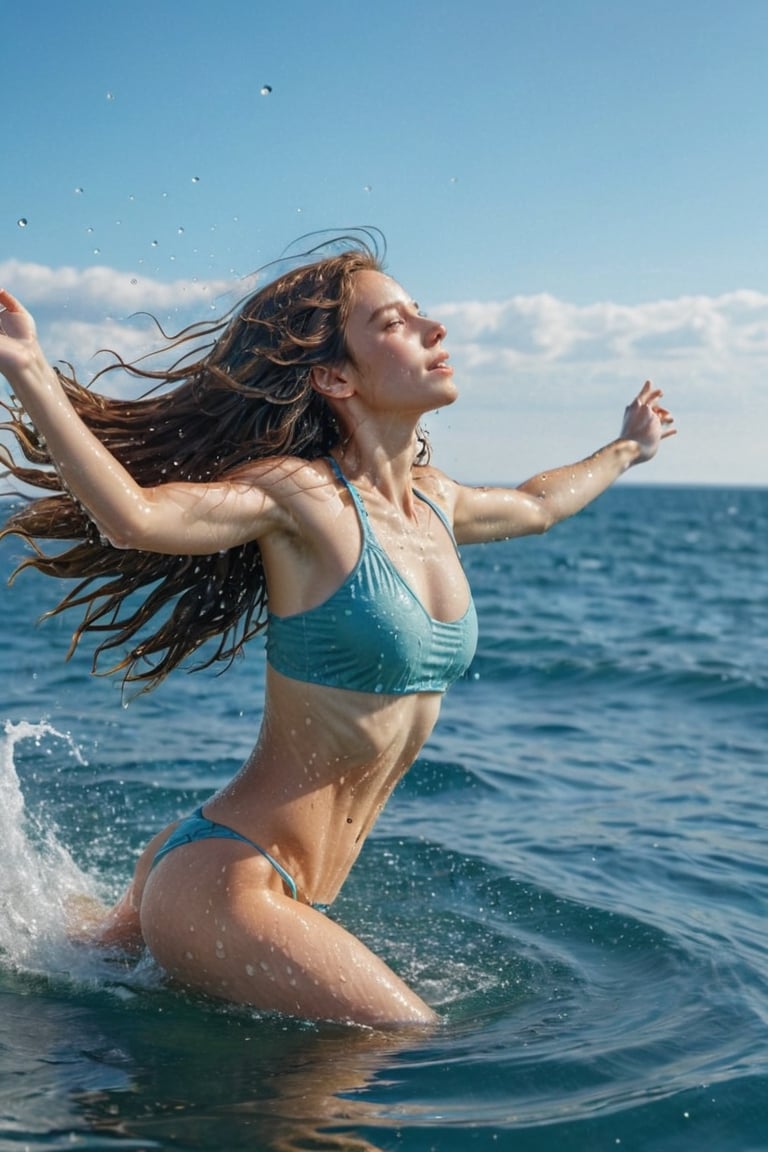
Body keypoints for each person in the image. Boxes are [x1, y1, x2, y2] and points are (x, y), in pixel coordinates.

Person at [0, 236, 675, 1027]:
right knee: (404, 1037)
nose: (434, 330)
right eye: (396, 322)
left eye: (421, 314)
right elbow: (136, 519)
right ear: (334, 376)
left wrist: (629, 447)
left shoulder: (438, 503)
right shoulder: (300, 499)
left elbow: (538, 502)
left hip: (257, 878)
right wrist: (29, 371)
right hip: (228, 879)